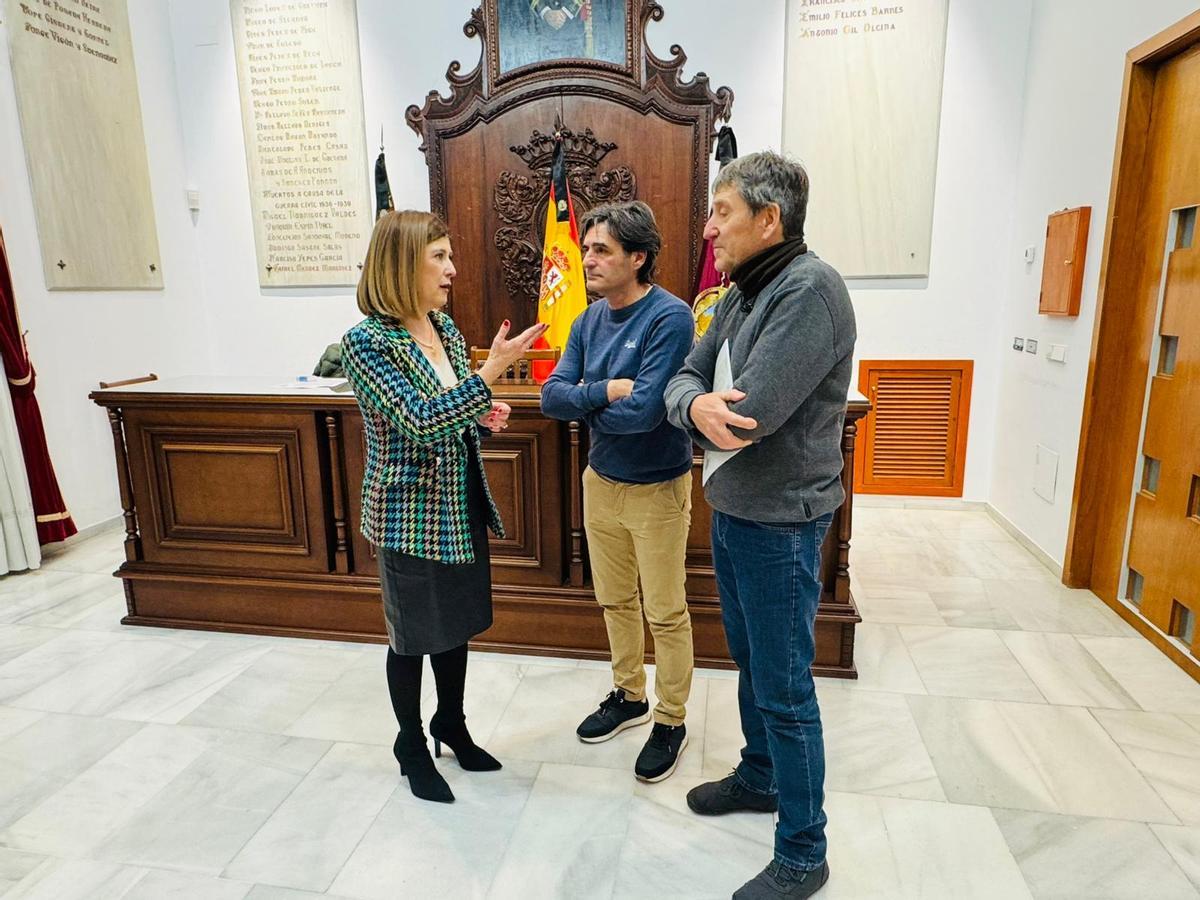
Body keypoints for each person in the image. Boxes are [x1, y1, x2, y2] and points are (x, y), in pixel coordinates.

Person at [664, 152, 856, 899]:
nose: (710, 229)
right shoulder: (746, 291)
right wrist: (692, 405)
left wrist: (704, 411)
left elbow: (747, 415)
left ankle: (805, 852)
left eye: (722, 213)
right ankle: (761, 775)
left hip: (783, 523)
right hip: (738, 510)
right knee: (752, 664)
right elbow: (688, 373)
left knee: (783, 686)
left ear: (769, 219)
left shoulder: (810, 291)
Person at [342, 210, 547, 804]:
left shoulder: (445, 330)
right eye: (439, 256)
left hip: (458, 505)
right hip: (408, 511)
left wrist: (485, 413)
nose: (452, 269)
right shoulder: (367, 343)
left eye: (449, 256)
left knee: (454, 625)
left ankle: (449, 723)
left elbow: (455, 410)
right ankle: (410, 742)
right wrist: (488, 377)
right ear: (402, 263)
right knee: (411, 636)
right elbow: (421, 420)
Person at [541, 201, 696, 782]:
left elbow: (648, 411)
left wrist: (592, 402)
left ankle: (672, 718)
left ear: (639, 257)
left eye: (601, 250)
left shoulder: (669, 317)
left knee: (666, 610)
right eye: (586, 249)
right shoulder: (586, 319)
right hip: (600, 482)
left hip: (657, 488)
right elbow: (553, 397)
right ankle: (629, 695)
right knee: (614, 599)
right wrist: (607, 390)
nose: (588, 260)